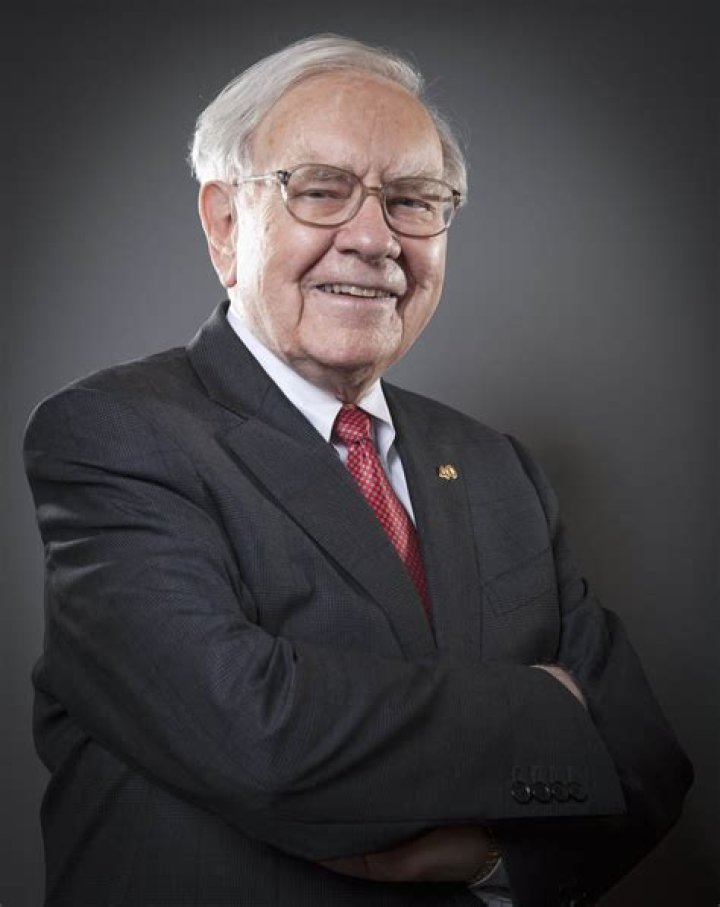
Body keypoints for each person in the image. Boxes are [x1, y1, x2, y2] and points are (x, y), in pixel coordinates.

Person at [24, 34, 692, 907]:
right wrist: (550, 706)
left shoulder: (497, 468)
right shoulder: (112, 436)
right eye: (320, 189)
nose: (375, 239)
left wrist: (492, 858)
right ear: (225, 224)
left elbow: (648, 764)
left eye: (412, 200)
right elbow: (259, 736)